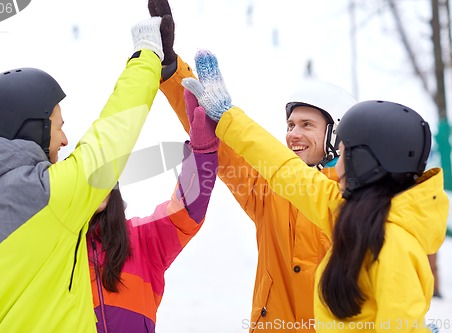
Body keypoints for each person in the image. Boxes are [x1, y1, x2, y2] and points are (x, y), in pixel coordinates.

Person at [183, 49, 448, 332]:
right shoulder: (346, 210)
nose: (339, 162)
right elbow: (283, 167)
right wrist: (226, 117)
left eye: (345, 154)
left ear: (369, 161)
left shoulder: (393, 243)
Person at [148, 1, 356, 331]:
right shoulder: (268, 190)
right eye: (290, 125)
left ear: (337, 132)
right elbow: (228, 148)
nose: (293, 135)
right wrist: (172, 70)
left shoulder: (357, 201)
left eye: (306, 125)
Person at [0, 16, 168, 332]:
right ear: (32, 130)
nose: (65, 140)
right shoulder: (49, 196)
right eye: (58, 126)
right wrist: (147, 55)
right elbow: (114, 133)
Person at [87, 89, 218, 332]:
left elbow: (185, 213)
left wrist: (202, 153)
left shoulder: (141, 240)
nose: (96, 182)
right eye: (85, 176)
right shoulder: (56, 247)